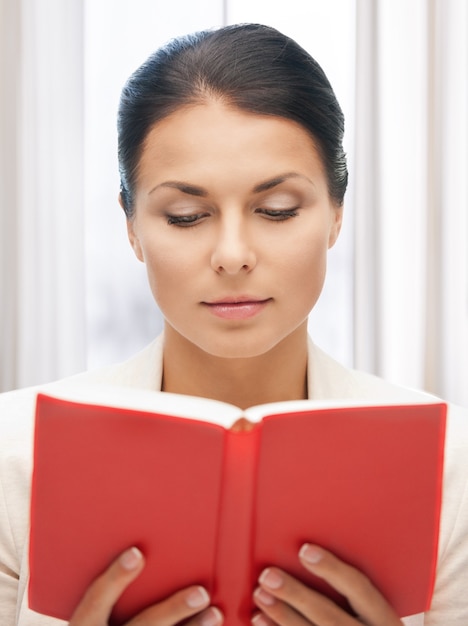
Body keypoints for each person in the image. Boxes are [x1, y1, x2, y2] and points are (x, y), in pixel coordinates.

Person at [1, 22, 467, 626]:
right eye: (187, 215)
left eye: (276, 210)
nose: (231, 254)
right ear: (131, 227)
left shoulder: (448, 466)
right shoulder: (13, 456)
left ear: (335, 214)